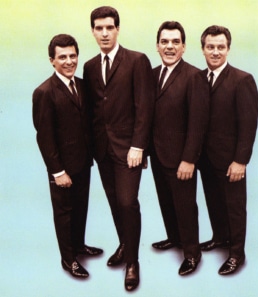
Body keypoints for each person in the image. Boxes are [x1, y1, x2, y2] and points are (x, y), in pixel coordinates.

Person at [83, 6, 155, 291]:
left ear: (117, 29)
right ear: (92, 31)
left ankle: (133, 262)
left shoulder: (137, 61)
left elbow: (145, 108)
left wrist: (139, 146)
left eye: (109, 27)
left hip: (129, 151)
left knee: (128, 202)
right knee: (115, 203)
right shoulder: (88, 66)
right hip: (102, 151)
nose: (104, 33)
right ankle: (125, 244)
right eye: (98, 28)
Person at [32, 34, 103, 279]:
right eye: (63, 57)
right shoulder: (44, 92)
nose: (69, 61)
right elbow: (44, 137)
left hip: (83, 162)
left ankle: (79, 245)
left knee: (81, 208)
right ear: (52, 60)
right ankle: (68, 259)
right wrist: (57, 172)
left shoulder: (82, 85)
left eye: (73, 55)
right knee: (64, 213)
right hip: (62, 168)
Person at [197, 25, 258, 275]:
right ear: (202, 49)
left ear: (228, 49)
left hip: (231, 159)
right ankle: (220, 237)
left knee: (234, 206)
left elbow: (248, 124)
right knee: (213, 201)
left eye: (220, 47)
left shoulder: (242, 80)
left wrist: (240, 161)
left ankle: (236, 253)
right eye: (210, 47)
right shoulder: (198, 78)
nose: (215, 52)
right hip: (205, 158)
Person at [150, 21, 209, 276]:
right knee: (166, 201)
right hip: (157, 154)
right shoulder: (151, 75)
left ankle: (192, 253)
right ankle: (174, 238)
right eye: (165, 42)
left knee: (185, 206)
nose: (170, 46)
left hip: (181, 158)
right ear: (157, 46)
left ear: (184, 47)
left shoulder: (194, 76)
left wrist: (189, 160)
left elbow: (198, 123)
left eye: (175, 42)